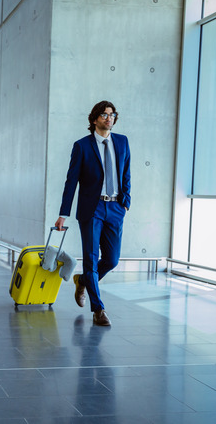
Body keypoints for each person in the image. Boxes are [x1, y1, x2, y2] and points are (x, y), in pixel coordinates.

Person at [55, 101, 130, 327]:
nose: (109, 118)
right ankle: (98, 309)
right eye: (104, 115)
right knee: (90, 258)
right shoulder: (82, 146)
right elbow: (71, 182)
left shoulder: (122, 142)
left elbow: (126, 173)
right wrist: (63, 214)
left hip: (116, 207)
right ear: (95, 119)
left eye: (112, 114)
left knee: (112, 259)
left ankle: (83, 281)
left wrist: (125, 202)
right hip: (92, 209)